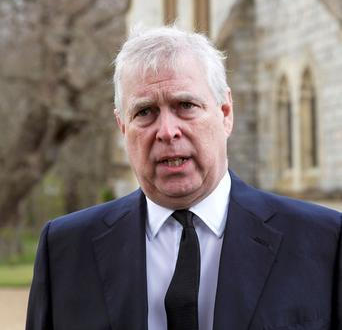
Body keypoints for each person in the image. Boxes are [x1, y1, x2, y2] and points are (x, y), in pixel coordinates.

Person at [26, 26, 341, 330]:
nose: (167, 131)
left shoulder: (324, 242)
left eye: (186, 105)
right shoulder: (65, 250)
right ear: (122, 127)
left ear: (225, 113)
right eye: (145, 112)